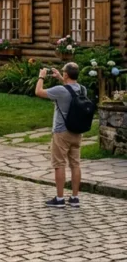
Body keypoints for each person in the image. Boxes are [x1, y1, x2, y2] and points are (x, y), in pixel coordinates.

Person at [35, 62, 86, 208]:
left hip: (61, 132)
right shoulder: (83, 89)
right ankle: (75, 198)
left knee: (59, 164)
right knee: (75, 164)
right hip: (77, 131)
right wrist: (60, 78)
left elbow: (38, 92)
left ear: (66, 74)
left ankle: (59, 198)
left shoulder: (59, 91)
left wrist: (41, 77)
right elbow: (70, 88)